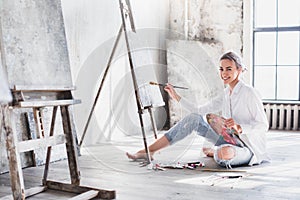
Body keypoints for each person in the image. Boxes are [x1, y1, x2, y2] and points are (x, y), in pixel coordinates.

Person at [126, 51, 269, 168]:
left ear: (239, 70)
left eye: (229, 69)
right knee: (194, 118)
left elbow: (263, 125)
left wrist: (240, 127)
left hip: (247, 148)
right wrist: (175, 96)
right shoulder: (226, 94)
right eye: (221, 69)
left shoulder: (249, 93)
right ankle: (149, 151)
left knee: (223, 155)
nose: (224, 73)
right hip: (228, 140)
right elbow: (199, 110)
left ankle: (215, 153)